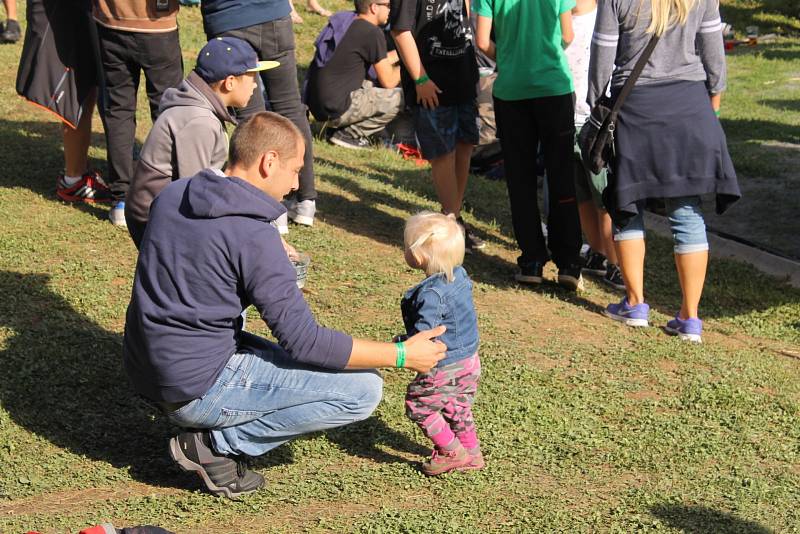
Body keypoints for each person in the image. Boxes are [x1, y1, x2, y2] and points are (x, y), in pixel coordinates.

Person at [124, 112, 447, 498]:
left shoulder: (175, 193)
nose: (296, 184)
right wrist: (400, 355)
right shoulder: (253, 237)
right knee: (363, 390)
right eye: (295, 170)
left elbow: (192, 248)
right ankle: (214, 446)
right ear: (269, 162)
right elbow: (305, 342)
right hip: (192, 388)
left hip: (144, 364)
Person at [588, 0, 740, 342]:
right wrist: (713, 98)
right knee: (687, 210)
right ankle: (690, 317)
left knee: (626, 204)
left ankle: (635, 303)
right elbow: (714, 53)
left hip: (635, 107)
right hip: (689, 104)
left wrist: (597, 103)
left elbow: (603, 54)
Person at [124, 37, 277, 248]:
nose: (255, 85)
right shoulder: (199, 121)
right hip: (157, 219)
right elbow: (196, 192)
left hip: (165, 211)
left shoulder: (201, 109)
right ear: (229, 82)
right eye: (252, 77)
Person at [474, 0, 584, 290]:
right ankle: (569, 262)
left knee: (520, 179)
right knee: (561, 175)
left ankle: (532, 260)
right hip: (553, 86)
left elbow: (482, 41)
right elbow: (568, 35)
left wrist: (509, 58)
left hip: (511, 90)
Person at [201, 0, 319, 232]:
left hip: (228, 17)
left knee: (250, 115)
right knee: (289, 106)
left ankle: (272, 207)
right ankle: (305, 200)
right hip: (271, 15)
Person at [389, 0, 485, 252]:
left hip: (463, 75)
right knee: (443, 152)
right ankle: (453, 225)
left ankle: (452, 216)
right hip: (431, 81)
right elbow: (400, 31)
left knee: (465, 144)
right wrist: (420, 78)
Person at [400, 212, 483, 476]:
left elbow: (427, 335)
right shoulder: (459, 275)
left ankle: (451, 451)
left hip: (444, 364)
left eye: (406, 246)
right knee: (457, 406)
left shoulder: (432, 295)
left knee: (420, 405)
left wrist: (406, 346)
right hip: (468, 360)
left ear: (420, 255)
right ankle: (472, 454)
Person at [93, 0, 184, 226]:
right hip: (157, 25)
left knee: (118, 111)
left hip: (111, 22)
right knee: (169, 112)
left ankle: (121, 200)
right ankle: (169, 193)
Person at [18, 0, 111, 203]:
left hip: (70, 10)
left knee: (84, 85)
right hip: (68, 11)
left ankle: (78, 173)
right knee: (78, 87)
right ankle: (74, 178)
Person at [565, 0, 624, 290]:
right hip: (566, 118)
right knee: (581, 195)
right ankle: (598, 252)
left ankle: (617, 262)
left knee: (604, 198)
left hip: (596, 123)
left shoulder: (603, 19)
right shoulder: (559, 19)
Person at [306, 0, 402, 150]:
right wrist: (410, 65)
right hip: (335, 108)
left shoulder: (347, 22)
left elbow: (382, 60)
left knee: (370, 84)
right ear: (374, 7)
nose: (391, 9)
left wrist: (405, 54)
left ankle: (335, 128)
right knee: (400, 97)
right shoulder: (372, 32)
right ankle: (349, 134)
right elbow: (389, 81)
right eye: (388, 5)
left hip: (318, 105)